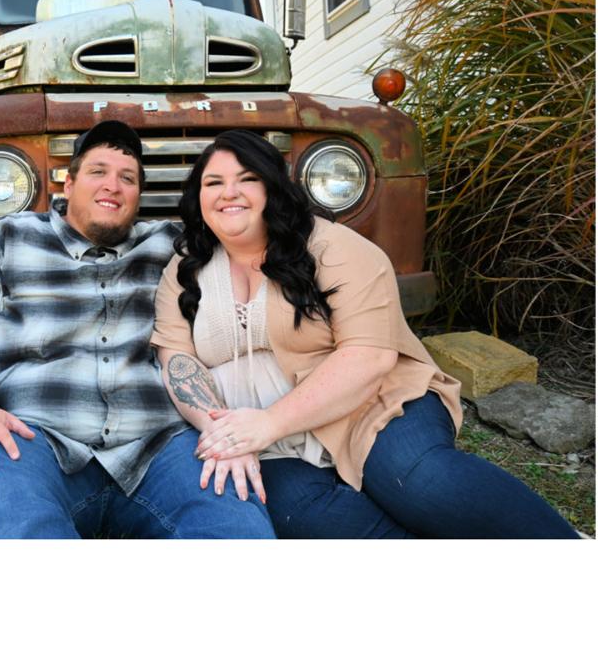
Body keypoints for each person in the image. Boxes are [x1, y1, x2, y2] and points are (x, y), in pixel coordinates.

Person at [151, 130, 580, 539]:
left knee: (420, 481)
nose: (229, 193)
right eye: (214, 182)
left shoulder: (333, 248)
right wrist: (226, 435)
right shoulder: (187, 267)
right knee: (312, 519)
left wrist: (269, 423)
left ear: (274, 188)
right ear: (198, 197)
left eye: (247, 179)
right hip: (265, 441)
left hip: (369, 405)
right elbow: (177, 359)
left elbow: (369, 356)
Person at [0, 122, 274, 539]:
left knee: (237, 528)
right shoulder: (13, 236)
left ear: (138, 197)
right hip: (31, 437)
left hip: (158, 446)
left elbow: (255, 244)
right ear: (69, 184)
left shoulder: (170, 247)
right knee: (21, 525)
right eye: (98, 172)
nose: (113, 185)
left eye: (127, 178)